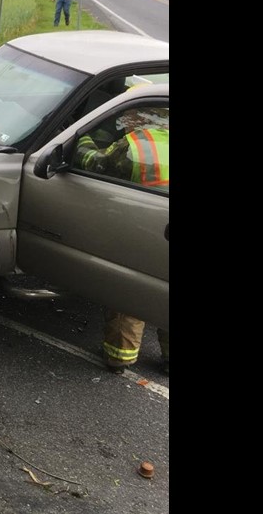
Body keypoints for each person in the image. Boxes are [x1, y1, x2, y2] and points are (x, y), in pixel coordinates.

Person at [75, 105, 169, 375]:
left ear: (139, 118)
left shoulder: (136, 146)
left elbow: (94, 161)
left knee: (132, 291)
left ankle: (120, 357)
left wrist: (82, 135)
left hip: (148, 228)